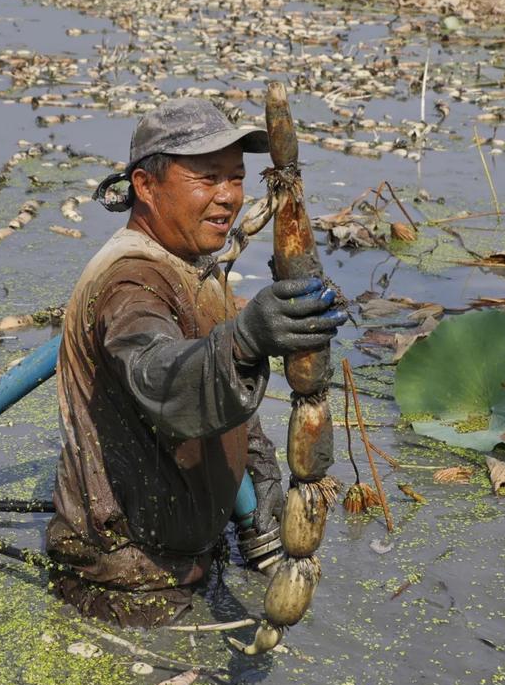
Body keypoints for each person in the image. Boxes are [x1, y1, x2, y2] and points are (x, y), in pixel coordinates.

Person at [46, 98, 346, 628]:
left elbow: (219, 383)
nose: (229, 197)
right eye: (207, 179)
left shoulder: (195, 261)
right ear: (145, 185)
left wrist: (260, 480)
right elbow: (161, 377)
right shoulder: (130, 281)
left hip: (191, 557)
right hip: (128, 586)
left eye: (236, 177)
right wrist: (249, 337)